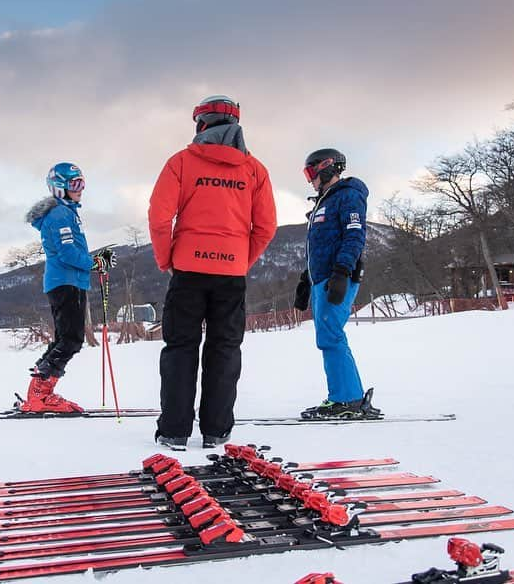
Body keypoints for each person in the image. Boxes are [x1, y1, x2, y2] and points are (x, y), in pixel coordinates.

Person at [148, 95, 277, 450]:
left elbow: (160, 217)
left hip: (188, 270)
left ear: (200, 123)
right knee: (225, 348)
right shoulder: (254, 170)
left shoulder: (181, 163)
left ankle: (174, 431)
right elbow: (265, 227)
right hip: (230, 275)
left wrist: (166, 259)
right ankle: (216, 431)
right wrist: (239, 260)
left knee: (180, 347)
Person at [20, 162, 116, 413]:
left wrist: (93, 262)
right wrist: (95, 263)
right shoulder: (60, 214)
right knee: (72, 339)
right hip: (66, 281)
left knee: (65, 338)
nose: (81, 189)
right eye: (75, 184)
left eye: (82, 183)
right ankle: (40, 394)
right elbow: (67, 253)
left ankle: (40, 390)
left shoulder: (66, 212)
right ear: (60, 187)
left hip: (67, 281)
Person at [293, 148, 380, 419]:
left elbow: (354, 237)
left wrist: (342, 272)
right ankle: (348, 396)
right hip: (322, 278)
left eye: (311, 173)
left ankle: (346, 399)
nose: (310, 180)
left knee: (331, 336)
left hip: (338, 277)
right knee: (328, 337)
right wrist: (306, 279)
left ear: (327, 167)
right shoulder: (324, 202)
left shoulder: (348, 196)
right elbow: (320, 247)